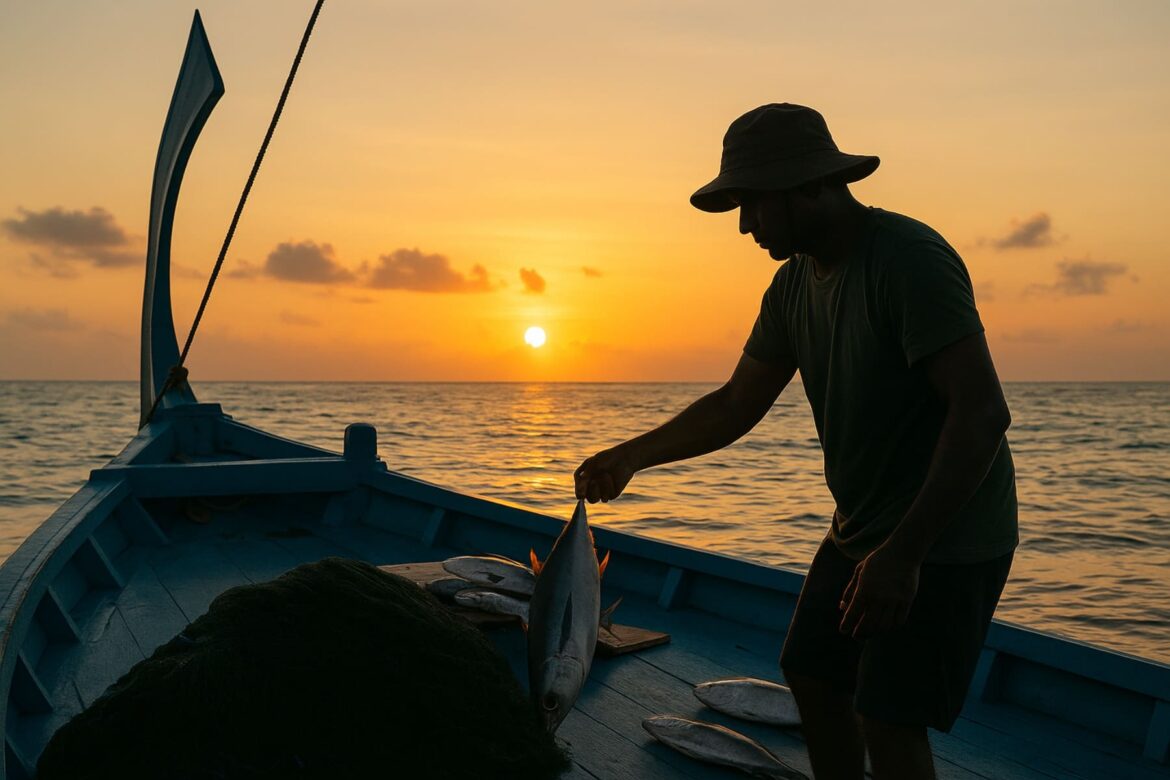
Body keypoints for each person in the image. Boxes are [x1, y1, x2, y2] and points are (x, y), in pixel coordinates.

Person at [573, 103, 1018, 780]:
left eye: (752, 203)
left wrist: (904, 555)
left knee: (890, 717)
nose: (746, 224)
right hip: (860, 529)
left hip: (946, 537)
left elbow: (982, 412)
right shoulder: (790, 287)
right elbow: (735, 402)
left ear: (809, 186)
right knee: (811, 672)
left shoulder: (909, 260)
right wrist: (633, 454)